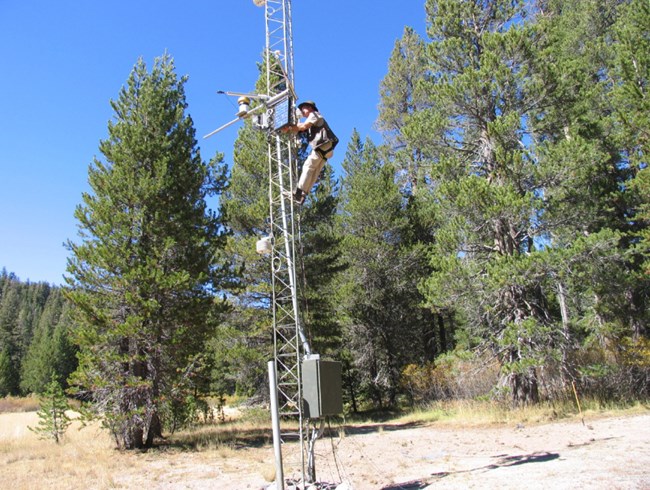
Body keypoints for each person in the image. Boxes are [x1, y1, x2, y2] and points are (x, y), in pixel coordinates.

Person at [282, 100, 338, 205]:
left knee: (308, 166)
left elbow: (303, 126)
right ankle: (303, 195)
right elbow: (299, 129)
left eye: (304, 107)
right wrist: (290, 128)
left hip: (322, 146)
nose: (302, 110)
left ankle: (298, 192)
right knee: (313, 171)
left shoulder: (314, 114)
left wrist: (289, 127)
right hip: (327, 150)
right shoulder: (311, 121)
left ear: (310, 108)